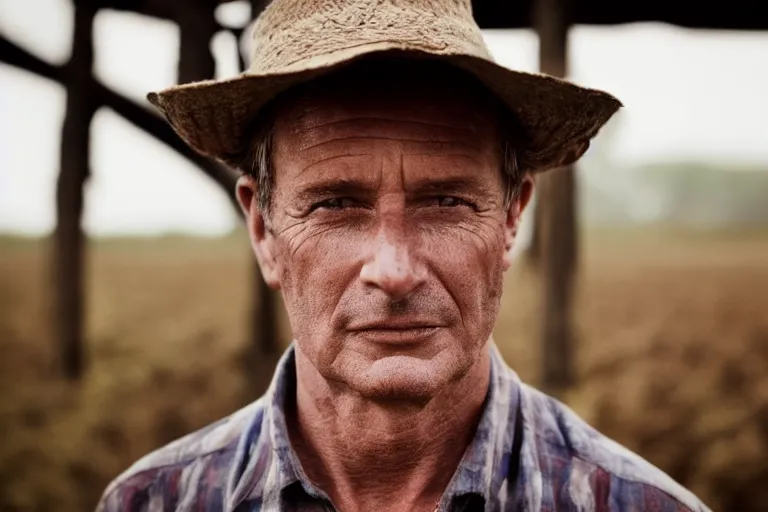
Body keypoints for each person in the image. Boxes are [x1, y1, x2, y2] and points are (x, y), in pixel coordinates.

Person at [98, 0, 710, 510]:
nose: (393, 271)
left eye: (445, 202)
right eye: (335, 205)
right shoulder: (149, 500)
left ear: (510, 219)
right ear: (263, 231)